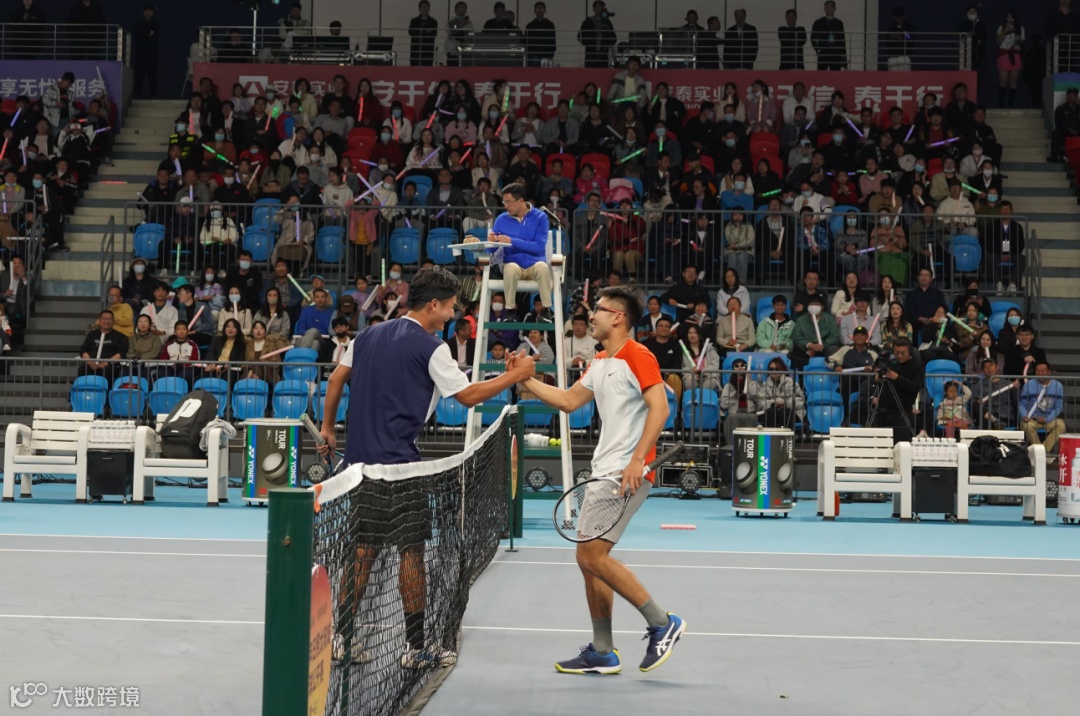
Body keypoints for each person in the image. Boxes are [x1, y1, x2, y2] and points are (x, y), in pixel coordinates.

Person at [318, 267, 536, 669]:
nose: (453, 314)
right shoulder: (433, 347)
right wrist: (515, 376)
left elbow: (335, 381)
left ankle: (342, 640)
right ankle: (415, 648)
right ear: (433, 305)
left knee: (362, 553)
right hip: (401, 469)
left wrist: (329, 429)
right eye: (451, 307)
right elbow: (467, 396)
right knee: (411, 555)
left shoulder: (366, 336)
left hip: (359, 468)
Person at [509, 285, 684, 674]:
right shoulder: (601, 360)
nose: (591, 316)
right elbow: (568, 401)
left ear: (618, 317)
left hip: (624, 472)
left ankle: (662, 623)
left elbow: (660, 408)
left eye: (599, 310)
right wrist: (523, 379)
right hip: (603, 471)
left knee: (591, 556)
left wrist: (637, 460)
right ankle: (603, 650)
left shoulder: (638, 354)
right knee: (588, 561)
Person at [487, 184, 552, 318]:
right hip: (513, 264)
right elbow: (491, 249)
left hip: (534, 265)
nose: (506, 206)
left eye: (508, 202)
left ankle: (546, 310)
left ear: (521, 201)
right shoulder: (501, 219)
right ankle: (510, 310)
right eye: (504, 202)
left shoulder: (540, 217)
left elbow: (539, 247)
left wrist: (512, 241)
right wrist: (490, 241)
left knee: (543, 267)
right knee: (510, 268)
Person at [1019, 362, 1066, 460]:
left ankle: (1041, 453)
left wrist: (1046, 419)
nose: (1040, 373)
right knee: (1027, 426)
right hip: (1032, 419)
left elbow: (1058, 407)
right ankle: (1044, 455)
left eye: (1043, 371)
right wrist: (1024, 415)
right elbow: (1022, 404)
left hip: (1049, 419)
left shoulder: (1058, 386)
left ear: (1049, 372)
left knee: (1061, 426)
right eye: (1038, 371)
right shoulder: (1028, 385)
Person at [79, 310, 127, 382]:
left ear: (113, 322)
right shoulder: (91, 335)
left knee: (107, 372)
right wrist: (90, 362)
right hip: (91, 364)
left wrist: (106, 363)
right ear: (99, 320)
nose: (106, 321)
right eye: (104, 319)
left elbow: (121, 353)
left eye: (109, 319)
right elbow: (84, 350)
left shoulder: (120, 336)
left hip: (109, 366)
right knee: (82, 370)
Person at [578, 1, 616, 68]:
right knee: (589, 72)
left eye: (600, 7)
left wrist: (606, 44)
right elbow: (580, 36)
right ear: (593, 9)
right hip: (590, 54)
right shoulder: (588, 21)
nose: (598, 9)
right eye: (596, 7)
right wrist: (590, 43)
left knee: (602, 73)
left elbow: (613, 39)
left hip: (603, 55)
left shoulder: (607, 22)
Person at [132, 4, 159, 99]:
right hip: (140, 54)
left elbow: (156, 36)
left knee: (152, 75)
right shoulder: (138, 25)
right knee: (139, 75)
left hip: (152, 54)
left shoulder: (155, 25)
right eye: (146, 11)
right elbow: (136, 36)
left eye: (150, 11)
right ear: (143, 12)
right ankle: (137, 94)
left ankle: (153, 94)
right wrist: (148, 33)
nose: (148, 13)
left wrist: (143, 34)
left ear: (153, 13)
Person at [811, 1, 847, 70]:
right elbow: (813, 38)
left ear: (835, 8)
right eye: (827, 6)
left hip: (836, 54)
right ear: (824, 8)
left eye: (831, 6)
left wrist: (843, 55)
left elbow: (842, 41)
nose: (829, 8)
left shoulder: (839, 23)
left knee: (835, 75)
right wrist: (817, 49)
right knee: (822, 75)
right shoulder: (818, 22)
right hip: (823, 54)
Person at [526, 2, 557, 66]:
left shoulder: (550, 25)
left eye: (541, 8)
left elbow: (553, 41)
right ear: (534, 11)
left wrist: (551, 53)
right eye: (537, 8)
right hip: (534, 55)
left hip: (547, 55)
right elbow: (527, 41)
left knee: (546, 72)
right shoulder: (530, 25)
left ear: (545, 10)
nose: (539, 10)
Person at [408, 1, 438, 66]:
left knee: (427, 70)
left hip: (428, 51)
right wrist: (426, 31)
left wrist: (419, 32)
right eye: (422, 6)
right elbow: (411, 32)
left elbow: (433, 35)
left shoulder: (433, 22)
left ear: (429, 8)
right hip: (415, 51)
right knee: (414, 70)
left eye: (426, 6)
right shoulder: (414, 21)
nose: (424, 8)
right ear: (419, 8)